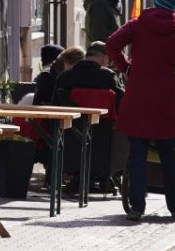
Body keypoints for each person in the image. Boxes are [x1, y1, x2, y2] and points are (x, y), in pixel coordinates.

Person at [106, 0, 175, 221]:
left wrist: (125, 67)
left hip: (138, 94)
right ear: (174, 7)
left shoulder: (137, 25)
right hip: (165, 99)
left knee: (137, 152)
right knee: (168, 153)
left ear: (155, 2)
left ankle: (137, 207)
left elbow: (112, 44)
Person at [53, 42, 127, 194]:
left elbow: (55, 104)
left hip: (70, 138)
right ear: (105, 58)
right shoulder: (108, 77)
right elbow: (121, 103)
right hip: (104, 142)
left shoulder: (66, 77)